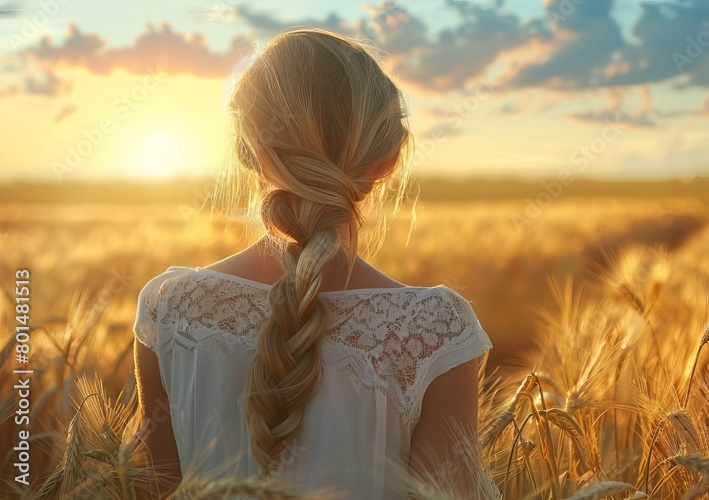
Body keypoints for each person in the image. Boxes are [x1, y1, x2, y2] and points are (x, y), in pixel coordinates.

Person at [131, 28, 494, 499]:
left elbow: (153, 489)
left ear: (248, 152)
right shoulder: (432, 333)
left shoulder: (171, 309)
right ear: (387, 160)